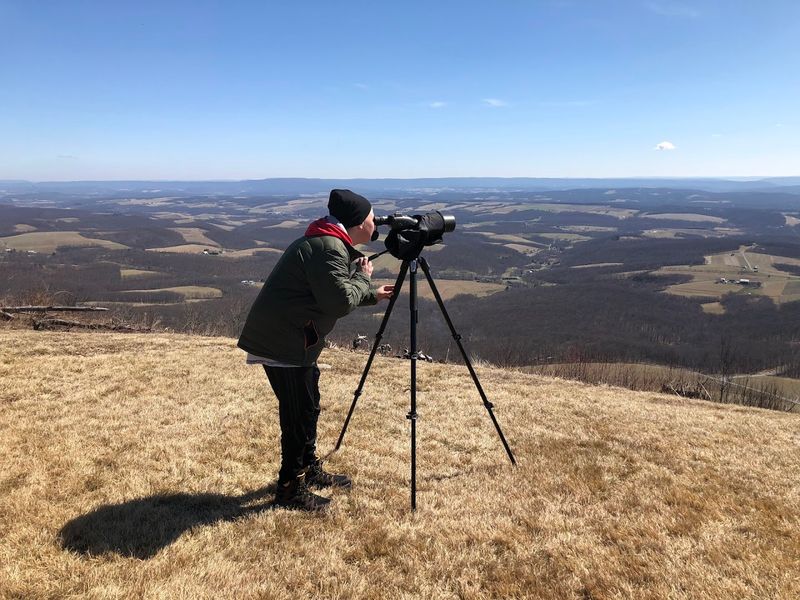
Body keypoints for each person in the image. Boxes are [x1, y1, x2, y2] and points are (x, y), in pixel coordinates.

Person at [238, 189, 394, 511]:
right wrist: (364, 280)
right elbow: (337, 302)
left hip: (291, 339)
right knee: (297, 415)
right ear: (357, 221)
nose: (375, 223)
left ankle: (308, 471)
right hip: (284, 343)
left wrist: (370, 293)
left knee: (307, 407)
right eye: (371, 217)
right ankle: (289, 489)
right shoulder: (328, 247)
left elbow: (328, 291)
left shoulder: (327, 241)